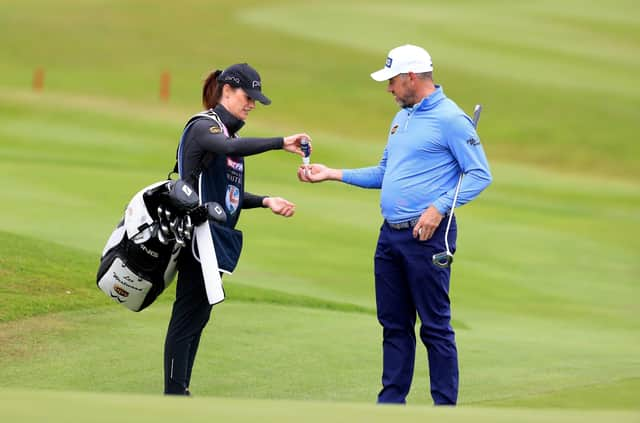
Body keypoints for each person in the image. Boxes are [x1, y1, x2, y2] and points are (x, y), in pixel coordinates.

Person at [297, 44, 492, 405]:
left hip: (428, 236)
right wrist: (332, 173)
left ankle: (445, 408)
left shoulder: (451, 119)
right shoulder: (402, 118)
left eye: (392, 81)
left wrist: (438, 208)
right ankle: (390, 406)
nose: (388, 88)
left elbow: (479, 174)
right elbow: (385, 173)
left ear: (412, 78)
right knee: (394, 325)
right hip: (390, 236)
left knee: (435, 328)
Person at [164, 63, 311, 396]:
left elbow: (228, 195)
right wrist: (279, 142)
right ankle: (173, 395)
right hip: (195, 236)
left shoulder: (229, 136)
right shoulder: (204, 126)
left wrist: (265, 201)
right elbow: (228, 150)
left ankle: (180, 389)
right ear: (226, 91)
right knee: (188, 316)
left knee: (198, 317)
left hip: (215, 238)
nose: (251, 105)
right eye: (248, 97)